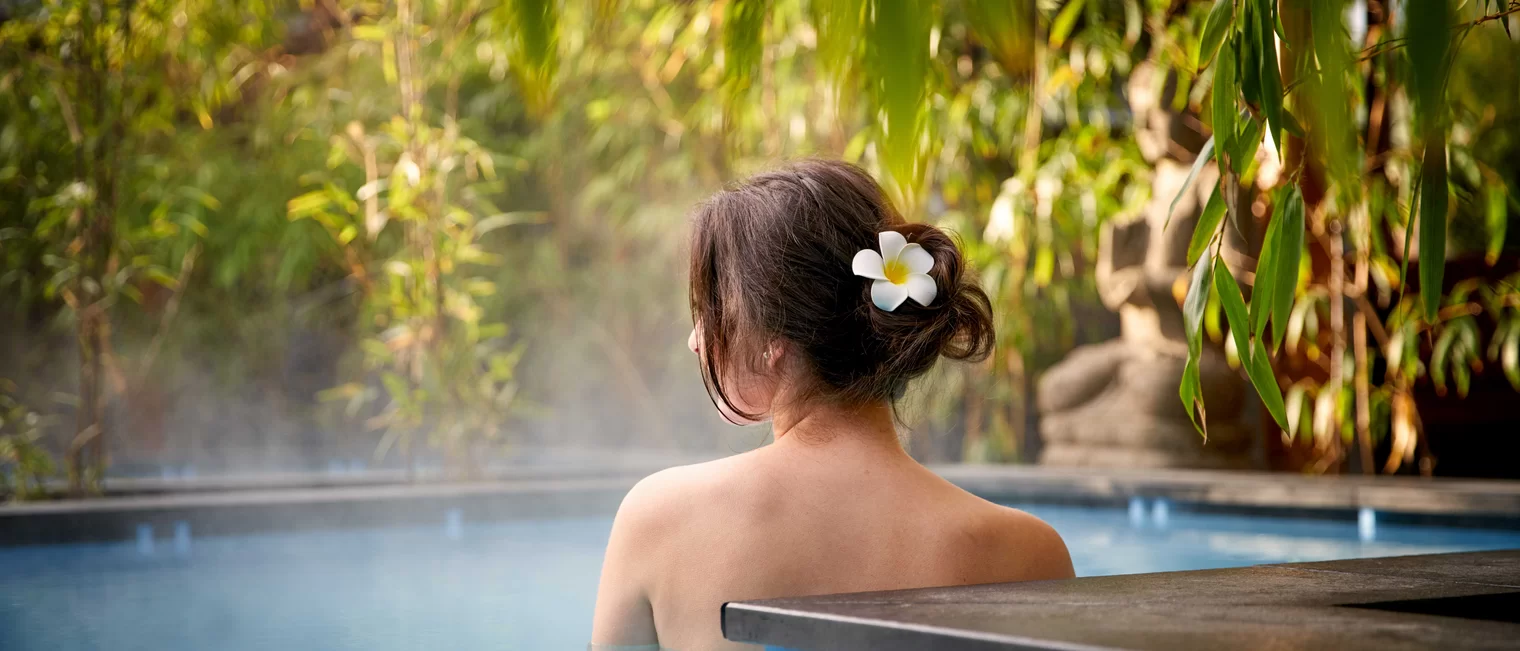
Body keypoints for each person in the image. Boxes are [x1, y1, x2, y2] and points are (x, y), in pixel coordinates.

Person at [590, 159, 1074, 651]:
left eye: (710, 309)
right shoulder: (1029, 553)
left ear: (771, 339)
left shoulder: (660, 520)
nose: (696, 340)